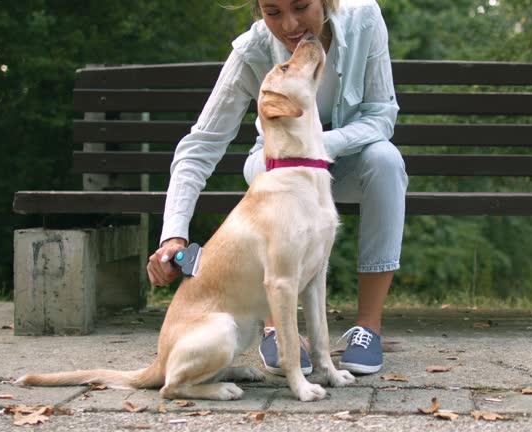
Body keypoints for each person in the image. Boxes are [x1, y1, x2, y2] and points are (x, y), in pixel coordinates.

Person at [146, 0, 407, 376]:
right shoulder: (252, 50)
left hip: (346, 161)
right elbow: (200, 146)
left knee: (386, 162)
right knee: (270, 173)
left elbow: (381, 114)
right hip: (279, 164)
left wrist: (318, 148)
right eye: (272, 12)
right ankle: (275, 329)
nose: (289, 24)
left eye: (301, 7)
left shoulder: (365, 18)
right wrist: (174, 234)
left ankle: (367, 328)